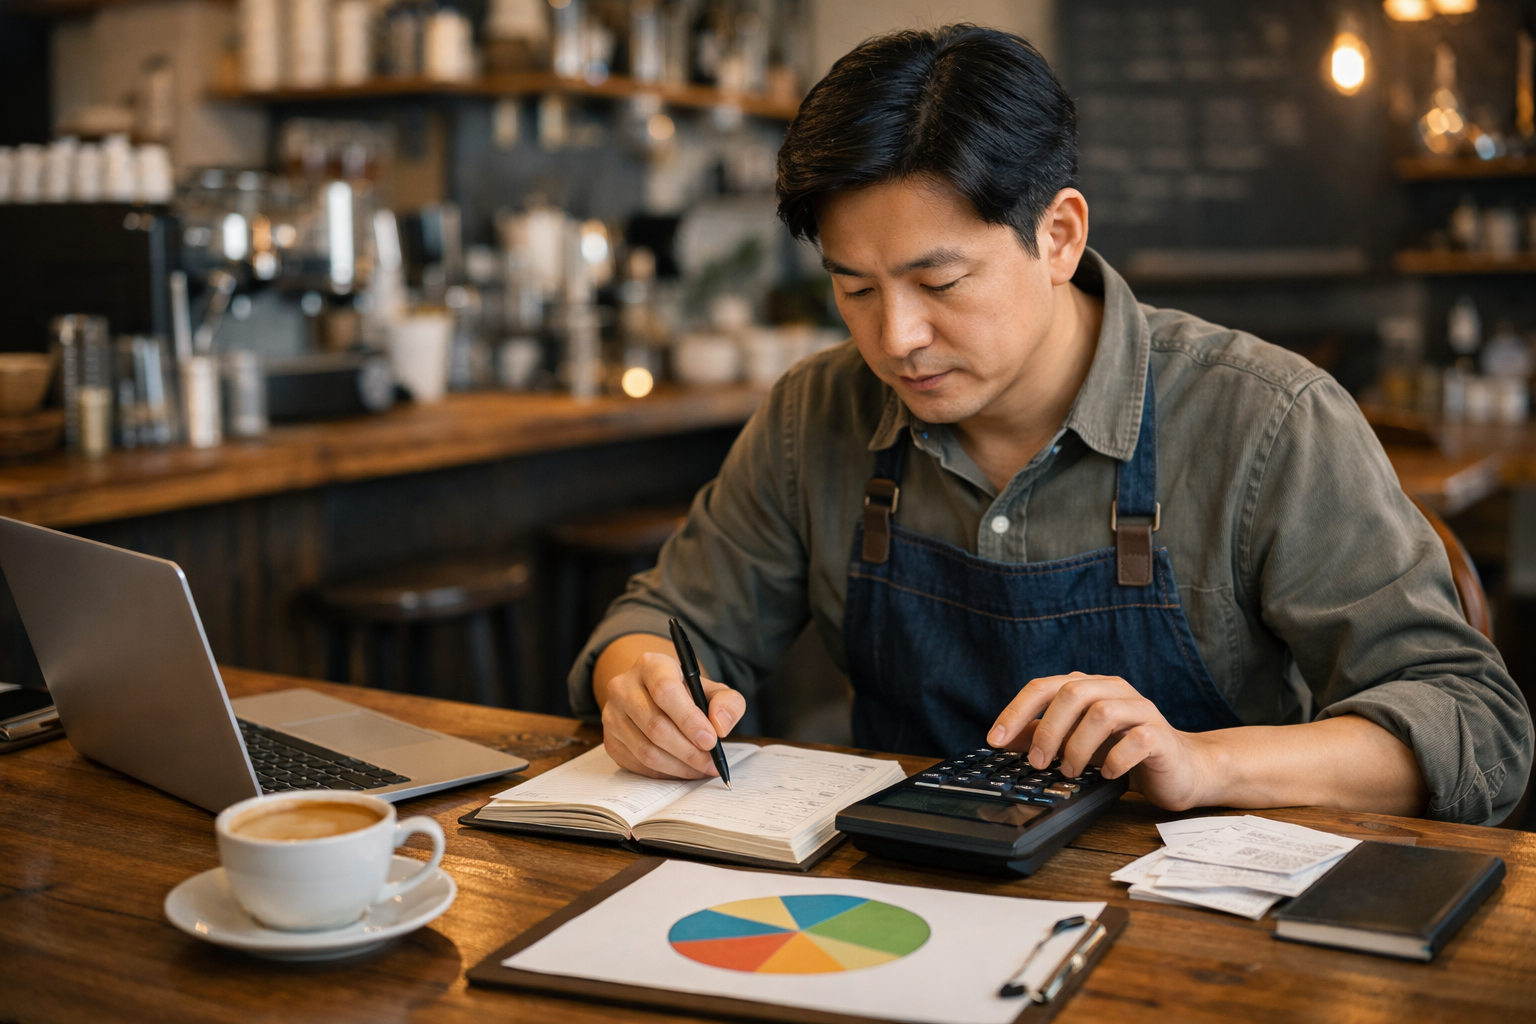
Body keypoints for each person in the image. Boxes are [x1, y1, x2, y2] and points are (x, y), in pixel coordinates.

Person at [571, 26, 1531, 826]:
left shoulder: (1265, 419)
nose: (896, 339)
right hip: (898, 907)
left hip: (1196, 931)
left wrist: (1203, 763)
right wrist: (641, 685)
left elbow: (1474, 724)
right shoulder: (815, 413)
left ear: (1060, 235)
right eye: (854, 289)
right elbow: (661, 622)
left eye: (940, 282)